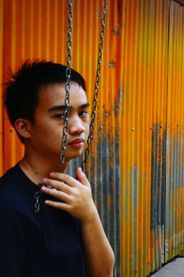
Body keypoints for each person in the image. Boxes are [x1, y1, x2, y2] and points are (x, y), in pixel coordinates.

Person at [0, 61, 115, 276]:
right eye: (61, 116)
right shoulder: (9, 208)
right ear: (24, 127)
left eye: (82, 113)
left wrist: (90, 214)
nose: (79, 127)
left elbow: (104, 272)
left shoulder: (70, 191)